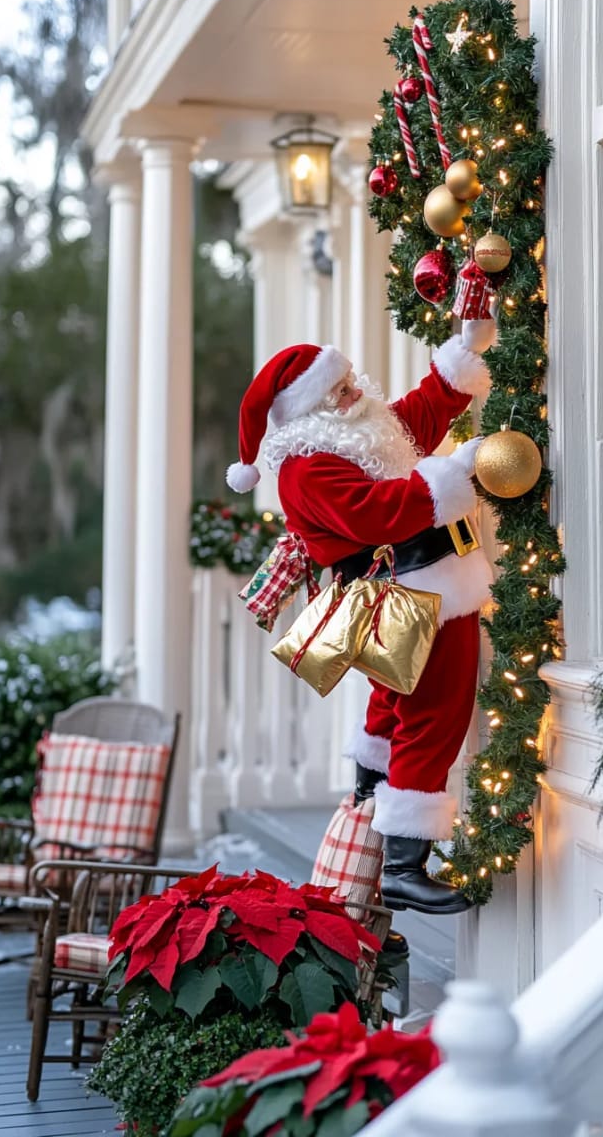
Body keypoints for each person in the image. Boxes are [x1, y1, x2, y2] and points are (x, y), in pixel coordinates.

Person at [226, 333, 493, 914]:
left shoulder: (358, 435)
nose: (351, 395)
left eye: (348, 383)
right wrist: (457, 474)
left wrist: (462, 353)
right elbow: (382, 514)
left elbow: (414, 419)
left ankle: (369, 799)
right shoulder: (307, 469)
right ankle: (403, 865)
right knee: (433, 713)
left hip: (415, 593)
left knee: (395, 709)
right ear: (306, 412)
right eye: (335, 393)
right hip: (410, 598)